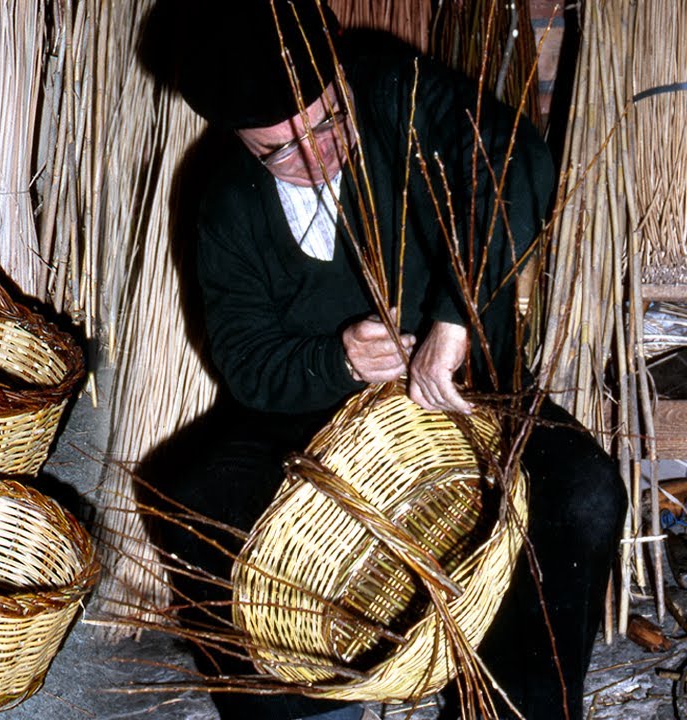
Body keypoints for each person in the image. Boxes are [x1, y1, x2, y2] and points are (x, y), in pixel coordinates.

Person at [143, 1, 627, 719]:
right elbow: (246, 362)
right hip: (312, 419)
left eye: (326, 121)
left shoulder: (394, 91)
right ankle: (314, 707)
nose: (316, 154)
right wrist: (336, 360)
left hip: (468, 396)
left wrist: (455, 321)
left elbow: (516, 161)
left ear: (339, 77)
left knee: (581, 493)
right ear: (238, 139)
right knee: (197, 499)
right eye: (279, 150)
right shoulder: (226, 202)